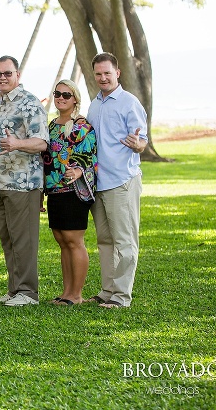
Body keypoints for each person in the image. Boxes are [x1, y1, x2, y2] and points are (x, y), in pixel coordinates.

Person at [0, 55, 49, 307]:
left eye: (7, 73)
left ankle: (28, 292)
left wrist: (17, 143)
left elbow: (42, 142)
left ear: (17, 75)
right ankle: (14, 290)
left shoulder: (29, 103)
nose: (2, 78)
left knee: (24, 239)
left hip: (22, 184)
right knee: (8, 239)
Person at [86, 52, 148, 309]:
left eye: (107, 73)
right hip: (98, 183)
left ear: (117, 73)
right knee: (105, 241)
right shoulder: (94, 104)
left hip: (121, 182)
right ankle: (107, 290)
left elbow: (142, 141)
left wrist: (138, 144)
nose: (103, 78)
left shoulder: (129, 103)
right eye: (98, 74)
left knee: (124, 242)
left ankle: (122, 297)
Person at [42, 79, 98, 306]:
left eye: (66, 95)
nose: (61, 98)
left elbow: (89, 155)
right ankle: (66, 293)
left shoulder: (82, 126)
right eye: (58, 94)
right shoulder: (52, 126)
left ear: (75, 98)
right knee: (61, 240)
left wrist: (77, 170)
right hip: (54, 189)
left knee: (74, 241)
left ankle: (76, 295)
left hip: (74, 190)